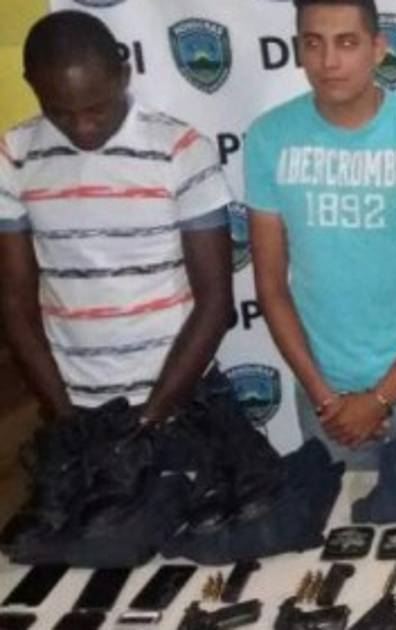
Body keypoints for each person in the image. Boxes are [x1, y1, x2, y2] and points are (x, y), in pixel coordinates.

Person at [245, 0, 396, 469]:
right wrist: (325, 397)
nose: (329, 61)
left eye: (346, 43)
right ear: (298, 49)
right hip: (327, 401)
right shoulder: (268, 137)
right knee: (340, 519)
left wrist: (382, 397)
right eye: (314, 43)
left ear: (378, 48)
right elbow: (270, 288)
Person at [0, 10, 234, 426]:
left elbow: (215, 301)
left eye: (97, 109)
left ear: (124, 76)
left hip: (178, 399)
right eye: (59, 112)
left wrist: (150, 420)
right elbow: (16, 303)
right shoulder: (12, 156)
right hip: (70, 403)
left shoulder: (181, 150)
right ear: (32, 86)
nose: (82, 128)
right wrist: (68, 420)